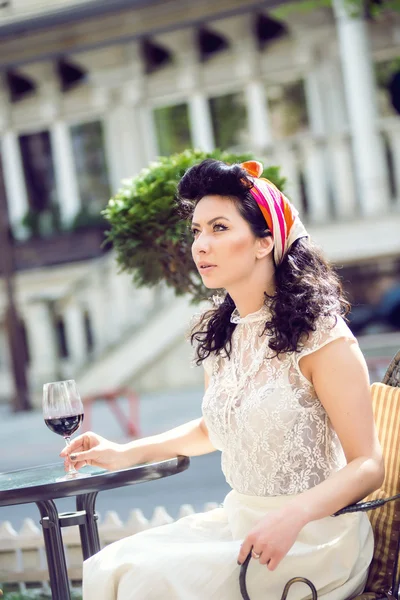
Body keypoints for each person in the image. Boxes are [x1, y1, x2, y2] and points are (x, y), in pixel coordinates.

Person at [61, 159, 384, 600]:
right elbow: (213, 429)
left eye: (218, 228)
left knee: (145, 582)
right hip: (240, 521)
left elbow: (368, 465)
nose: (200, 246)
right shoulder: (224, 334)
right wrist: (123, 452)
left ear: (263, 241)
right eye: (196, 231)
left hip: (314, 539)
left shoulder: (323, 338)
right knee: (108, 567)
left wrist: (294, 516)